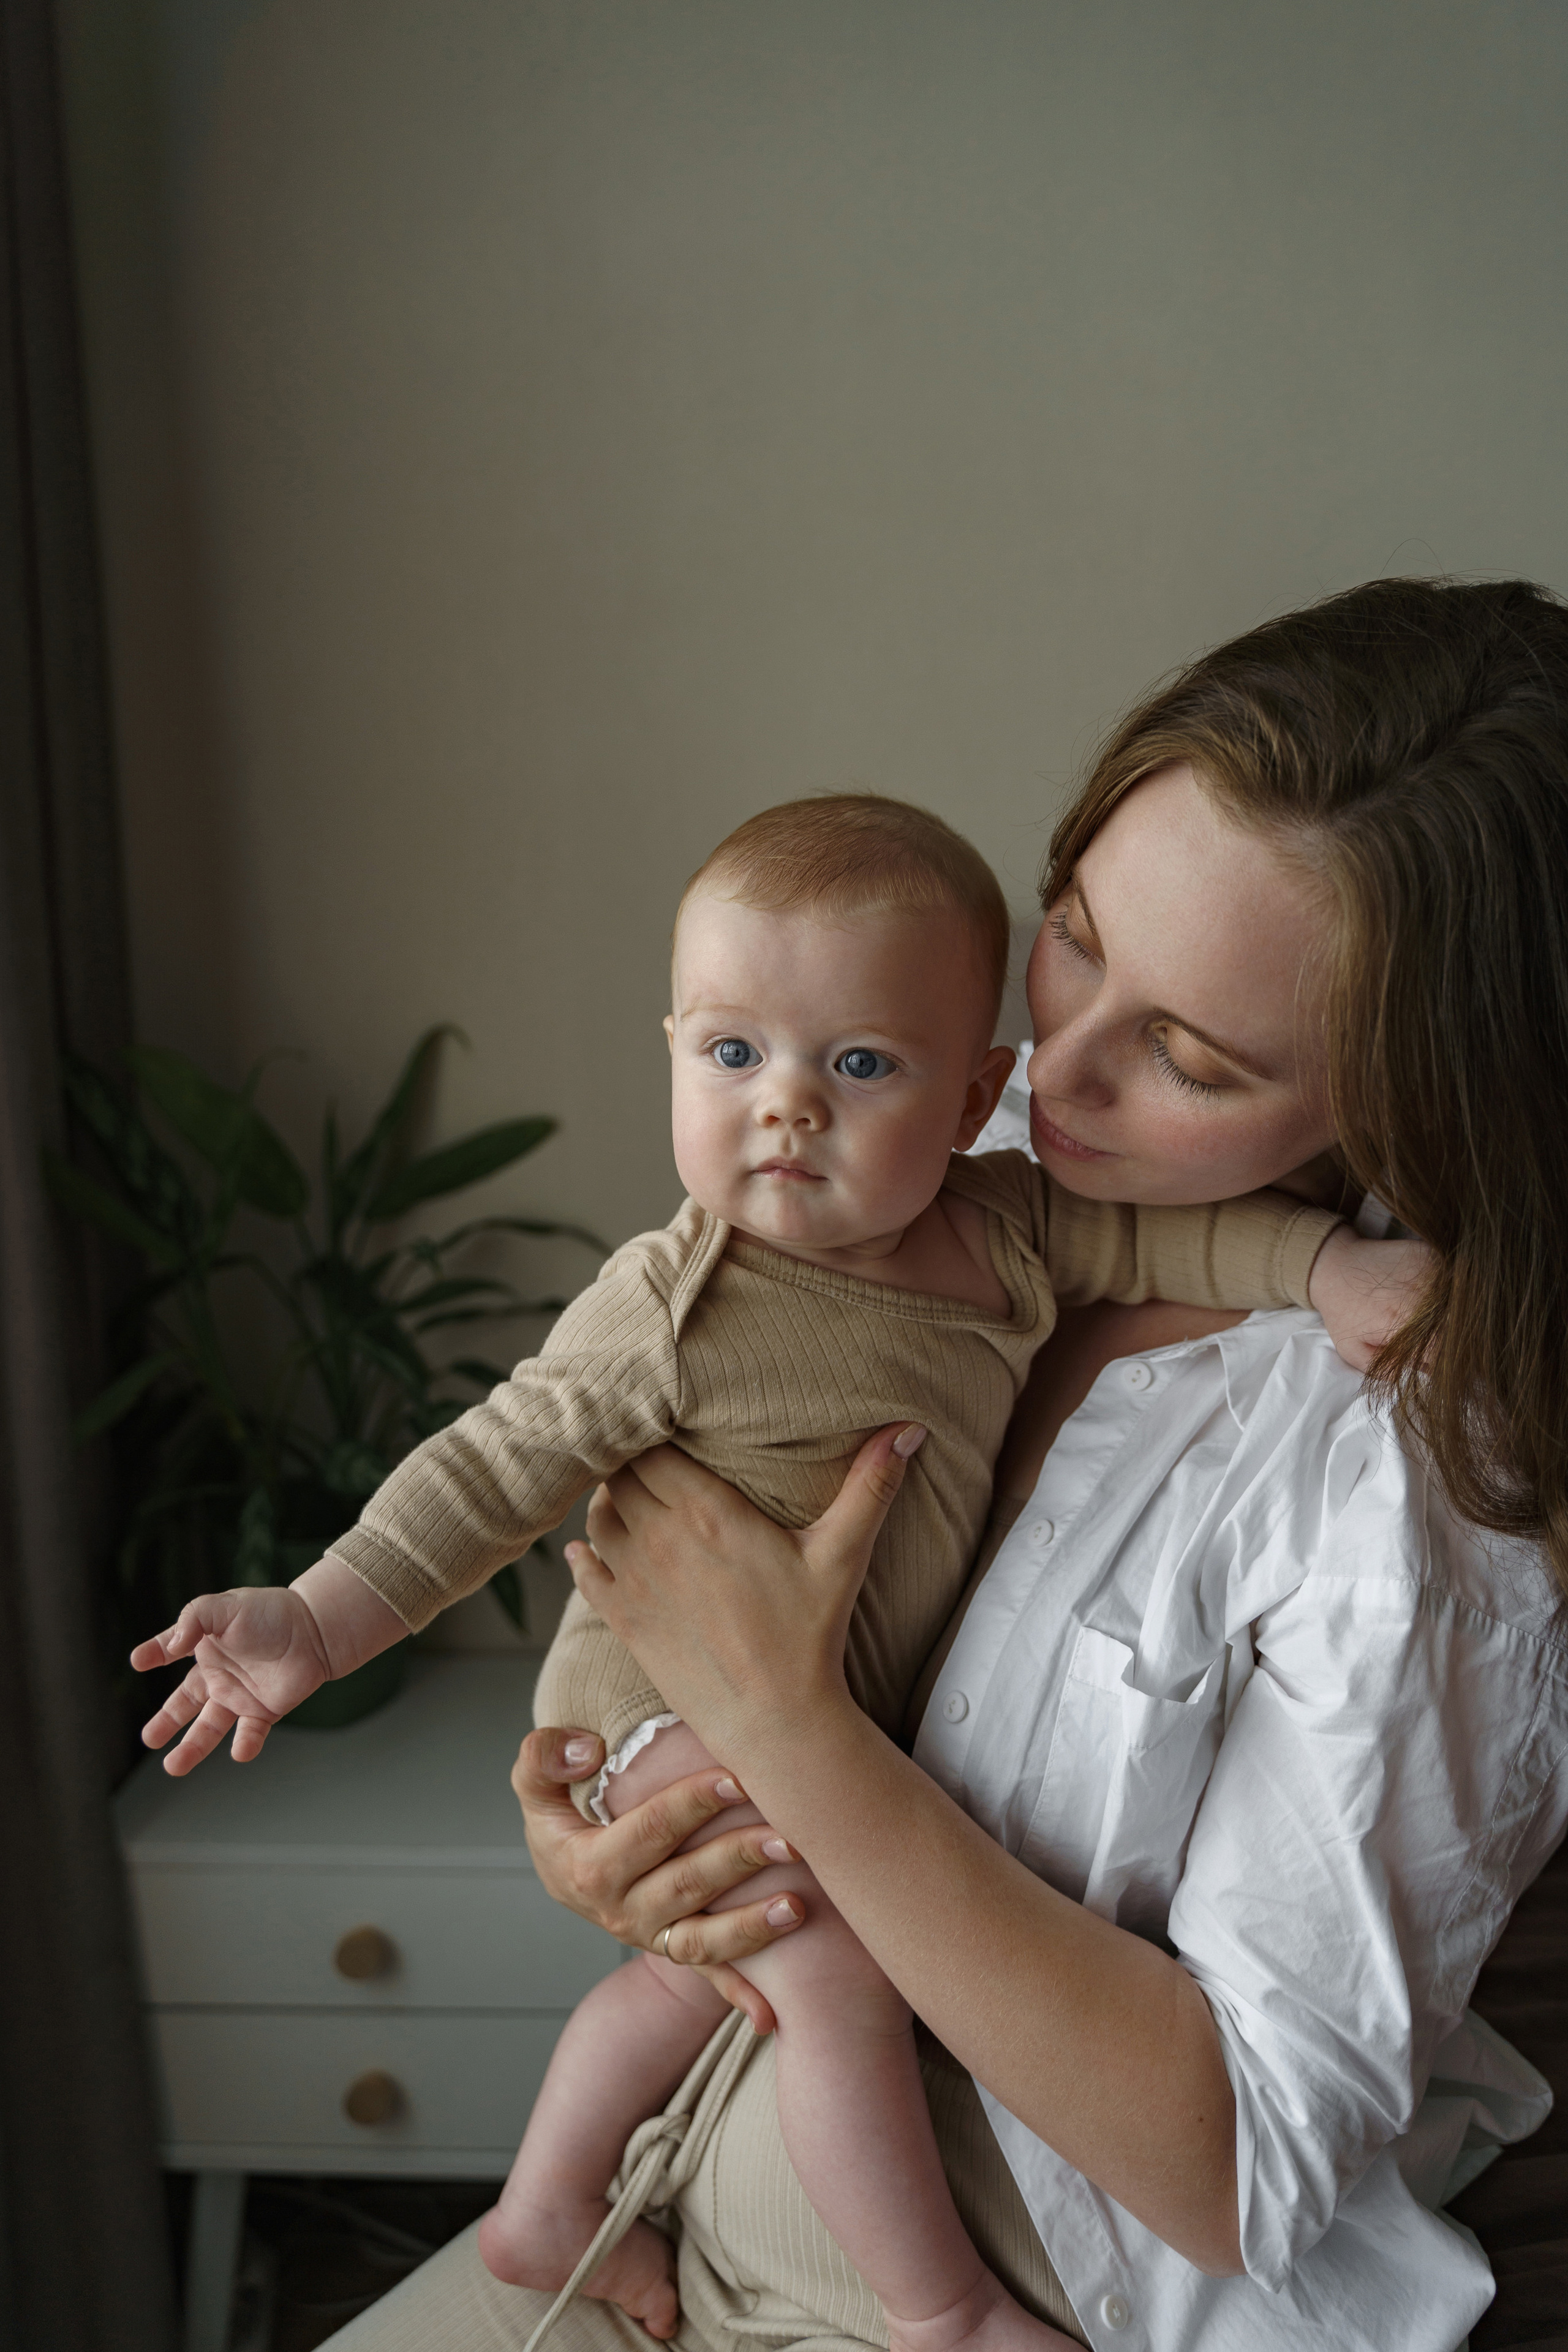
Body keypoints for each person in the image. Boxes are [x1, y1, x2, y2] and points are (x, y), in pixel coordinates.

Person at [315, 577, 1568, 2352]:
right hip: (664, 2180)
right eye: (1074, 936)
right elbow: (601, 1476)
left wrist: (792, 1741)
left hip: (924, 2307)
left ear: (1415, 1108)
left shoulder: (1403, 1472)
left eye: (1189, 1056)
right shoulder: (937, 1155)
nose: (1047, 1070)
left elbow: (1248, 2171)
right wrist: (627, 1851)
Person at [130, 794, 1409, 2352]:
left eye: (858, 1065)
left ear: (968, 1099)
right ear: (670, 1050)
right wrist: (317, 1618)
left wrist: (1327, 1270)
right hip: (661, 1703)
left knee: (704, 1981)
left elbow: (1172, 1252)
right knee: (841, 1975)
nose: (785, 1107)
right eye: (731, 1055)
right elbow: (490, 1466)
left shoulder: (1003, 1227)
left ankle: (541, 2217)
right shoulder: (675, 1303)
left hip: (794, 1716)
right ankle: (936, 2308)